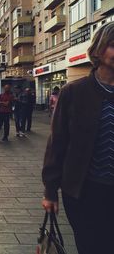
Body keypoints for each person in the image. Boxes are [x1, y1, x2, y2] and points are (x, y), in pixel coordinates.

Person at [41, 22, 114, 254]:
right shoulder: (75, 92)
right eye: (113, 45)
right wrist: (50, 190)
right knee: (93, 247)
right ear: (99, 50)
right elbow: (58, 143)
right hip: (86, 193)